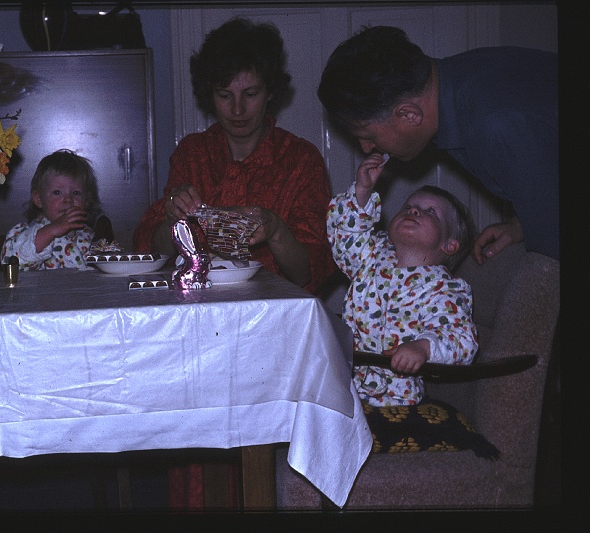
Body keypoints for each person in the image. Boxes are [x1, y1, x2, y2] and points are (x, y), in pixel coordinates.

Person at [318, 25, 558, 264]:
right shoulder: (456, 83)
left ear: (409, 115)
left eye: (369, 136)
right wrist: (525, 221)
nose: (366, 148)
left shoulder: (494, 125)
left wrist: (542, 226)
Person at [133, 17, 337, 294]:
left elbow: (308, 274)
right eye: (225, 95)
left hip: (275, 312)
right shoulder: (192, 154)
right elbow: (150, 252)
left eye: (250, 94)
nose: (238, 110)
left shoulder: (301, 161)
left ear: (270, 92)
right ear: (209, 94)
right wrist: (172, 219)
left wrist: (275, 230)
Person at [328, 153, 478, 406]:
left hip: (395, 397)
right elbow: (346, 238)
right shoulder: (371, 255)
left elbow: (461, 338)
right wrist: (362, 191)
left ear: (450, 245)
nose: (414, 210)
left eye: (431, 212)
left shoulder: (443, 289)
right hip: (342, 383)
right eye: (407, 207)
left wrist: (423, 348)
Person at [1, 149, 107, 270]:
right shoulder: (25, 234)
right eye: (57, 192)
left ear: (87, 201)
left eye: (76, 193)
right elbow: (11, 261)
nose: (68, 199)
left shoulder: (90, 238)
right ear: (38, 199)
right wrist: (51, 230)